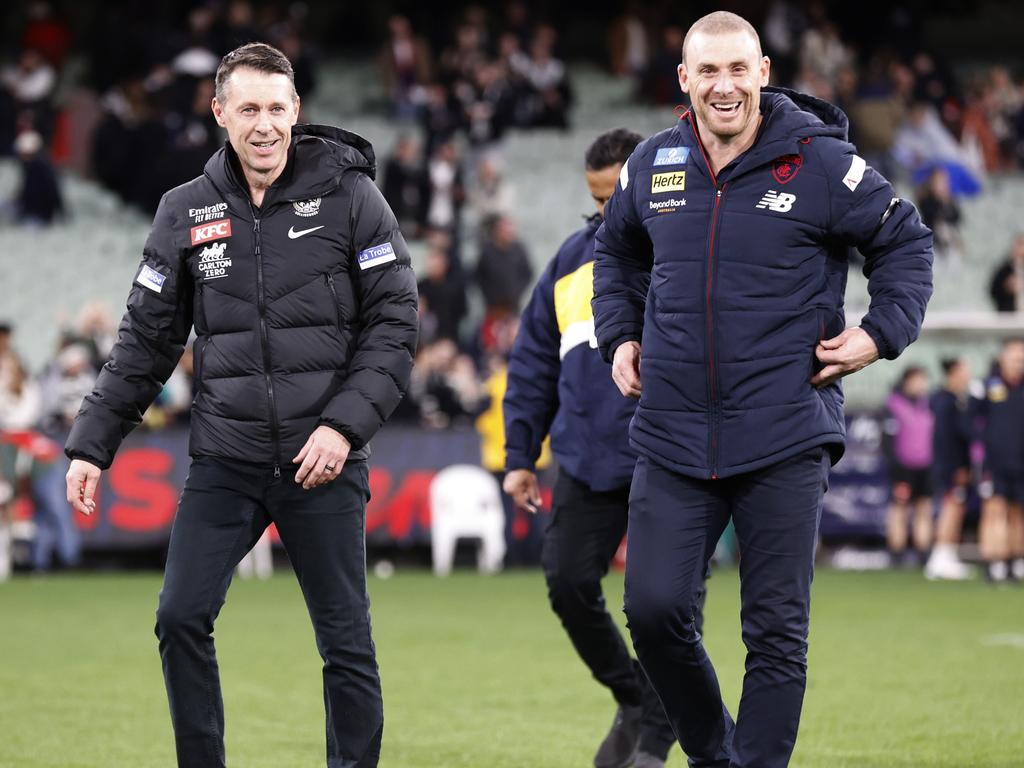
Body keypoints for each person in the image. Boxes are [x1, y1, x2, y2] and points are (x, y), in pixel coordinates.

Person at [63, 43, 418, 768]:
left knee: (345, 641)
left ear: (297, 113)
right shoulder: (183, 210)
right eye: (248, 109)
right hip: (226, 457)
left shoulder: (352, 198)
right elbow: (145, 341)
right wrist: (91, 442)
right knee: (179, 617)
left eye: (277, 109)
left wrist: (343, 427)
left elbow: (395, 323)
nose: (264, 125)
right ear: (220, 112)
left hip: (323, 459)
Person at [592, 12, 932, 768]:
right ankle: (719, 757)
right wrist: (619, 335)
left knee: (775, 633)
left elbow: (905, 239)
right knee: (651, 613)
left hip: (784, 428)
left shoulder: (820, 162)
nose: (724, 86)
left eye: (738, 69)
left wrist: (880, 333)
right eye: (707, 71)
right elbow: (613, 254)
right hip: (674, 430)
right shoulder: (652, 163)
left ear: (764, 72)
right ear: (684, 79)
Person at [503, 128, 686, 768]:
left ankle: (657, 737)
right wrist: (521, 455)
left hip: (670, 455)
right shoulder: (570, 260)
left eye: (616, 195)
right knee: (567, 582)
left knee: (661, 603)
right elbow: (530, 363)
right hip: (587, 454)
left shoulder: (686, 244)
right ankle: (633, 695)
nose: (606, 210)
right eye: (595, 198)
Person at [977, 339, 1024, 583]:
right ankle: (994, 563)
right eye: (1015, 358)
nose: (1019, 363)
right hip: (994, 464)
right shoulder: (988, 387)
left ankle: (1016, 562)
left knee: (1018, 514)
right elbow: (972, 425)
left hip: (1021, 463)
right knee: (994, 512)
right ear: (1003, 359)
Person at [925, 357, 974, 581]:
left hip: (952, 465)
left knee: (956, 509)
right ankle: (940, 558)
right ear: (954, 372)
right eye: (965, 370)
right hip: (950, 467)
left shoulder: (953, 400)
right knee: (950, 509)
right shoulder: (947, 403)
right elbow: (946, 441)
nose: (968, 375)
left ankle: (948, 555)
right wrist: (958, 467)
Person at [884, 366, 935, 568]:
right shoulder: (893, 405)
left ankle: (924, 555)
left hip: (925, 466)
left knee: (924, 509)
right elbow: (887, 441)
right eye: (917, 380)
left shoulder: (928, 405)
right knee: (899, 510)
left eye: (923, 380)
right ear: (906, 381)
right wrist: (896, 470)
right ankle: (896, 556)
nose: (921, 385)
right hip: (902, 467)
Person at [989, 233, 1024, 313]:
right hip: (1009, 315)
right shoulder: (1004, 269)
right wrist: (1006, 286)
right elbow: (993, 291)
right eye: (1020, 245)